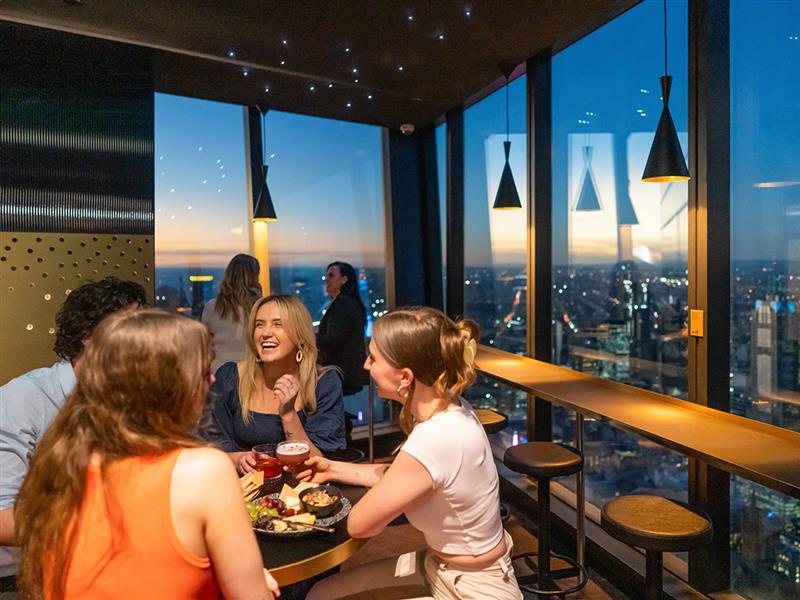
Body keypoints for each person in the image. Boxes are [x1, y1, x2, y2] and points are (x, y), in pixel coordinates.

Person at [14, 310, 278, 600]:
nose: (213, 379)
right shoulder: (202, 470)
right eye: (202, 372)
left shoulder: (61, 458)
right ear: (167, 386)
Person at [300, 307, 523, 600]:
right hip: (441, 564)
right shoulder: (449, 407)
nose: (366, 365)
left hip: (474, 589)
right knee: (322, 593)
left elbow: (359, 524)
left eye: (374, 357)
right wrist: (332, 468)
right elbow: (402, 475)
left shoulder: (436, 437)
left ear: (405, 377)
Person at [0, 276, 146, 592]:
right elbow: (3, 520)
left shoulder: (125, 400)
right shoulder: (26, 398)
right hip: (22, 576)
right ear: (87, 336)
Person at [203, 294, 346, 473]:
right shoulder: (230, 377)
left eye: (278, 325)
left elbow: (320, 463)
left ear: (300, 336)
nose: (265, 333)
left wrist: (288, 415)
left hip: (301, 492)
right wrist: (238, 459)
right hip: (245, 492)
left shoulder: (323, 382)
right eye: (259, 324)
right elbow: (212, 448)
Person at [201, 254, 262, 372]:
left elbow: (203, 345)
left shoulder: (211, 307)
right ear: (254, 277)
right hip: (251, 373)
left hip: (217, 374)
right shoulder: (261, 308)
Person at [317, 261, 368, 395]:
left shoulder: (342, 304)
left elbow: (333, 340)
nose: (327, 279)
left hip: (340, 373)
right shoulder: (351, 303)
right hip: (349, 373)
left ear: (344, 279)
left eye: (331, 275)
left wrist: (305, 336)